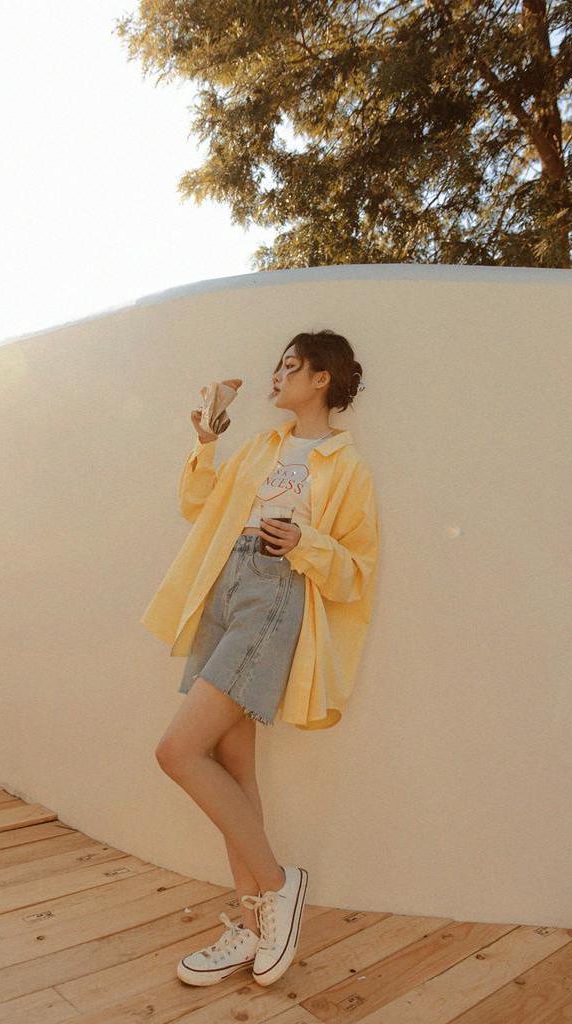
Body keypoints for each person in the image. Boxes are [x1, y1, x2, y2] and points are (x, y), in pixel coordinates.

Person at [141, 329, 379, 989]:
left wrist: (304, 541)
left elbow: (356, 572)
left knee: (177, 752)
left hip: (274, 595)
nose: (277, 376)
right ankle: (251, 927)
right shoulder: (259, 447)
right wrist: (207, 441)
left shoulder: (346, 467)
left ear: (322, 379)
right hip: (225, 590)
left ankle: (278, 884)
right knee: (231, 766)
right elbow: (198, 506)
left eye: (290, 366)